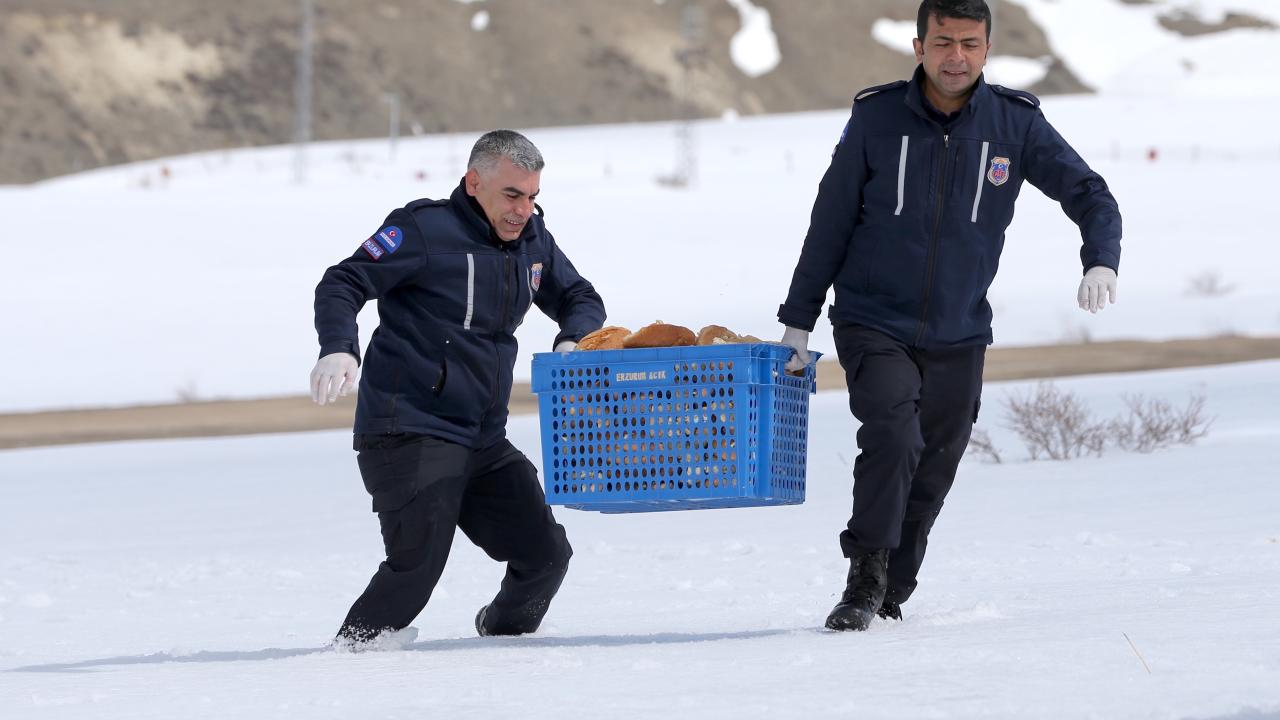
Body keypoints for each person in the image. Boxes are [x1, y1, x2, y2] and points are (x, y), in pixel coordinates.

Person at [777, 0, 1121, 631]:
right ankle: (864, 580)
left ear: (987, 49)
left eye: (968, 43)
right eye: (942, 42)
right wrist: (799, 317)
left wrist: (1100, 258)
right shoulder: (876, 116)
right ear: (919, 46)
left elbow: (1089, 192)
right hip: (872, 317)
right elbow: (829, 221)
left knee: (936, 460)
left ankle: (893, 587)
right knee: (893, 435)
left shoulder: (1015, 125)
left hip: (961, 328)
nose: (954, 56)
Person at [310, 129, 606, 646]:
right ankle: (351, 655)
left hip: (483, 438)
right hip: (409, 430)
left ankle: (503, 640)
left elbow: (579, 294)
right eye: (512, 195)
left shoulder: (532, 238)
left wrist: (574, 339)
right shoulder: (424, 230)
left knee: (546, 556)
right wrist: (338, 344)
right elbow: (343, 281)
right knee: (417, 564)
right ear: (474, 183)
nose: (523, 209)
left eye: (533, 196)